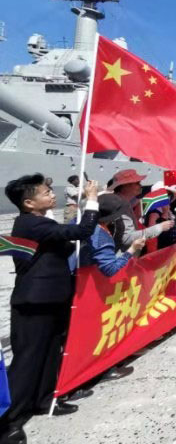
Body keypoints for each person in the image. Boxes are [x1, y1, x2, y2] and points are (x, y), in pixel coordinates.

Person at [0, 174, 100, 443]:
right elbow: (81, 232)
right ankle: (9, 421)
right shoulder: (30, 223)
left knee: (50, 352)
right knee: (28, 360)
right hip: (34, 301)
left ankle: (44, 400)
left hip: (53, 297)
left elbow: (65, 246)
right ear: (29, 202)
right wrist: (91, 200)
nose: (52, 195)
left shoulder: (42, 222)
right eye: (46, 193)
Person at [80, 194, 145, 276]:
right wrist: (133, 248)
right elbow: (110, 270)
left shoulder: (85, 222)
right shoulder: (102, 238)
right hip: (85, 277)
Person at [109, 169, 173, 252]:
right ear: (126, 185)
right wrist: (160, 227)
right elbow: (127, 238)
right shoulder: (119, 205)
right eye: (137, 183)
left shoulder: (122, 202)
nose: (140, 185)